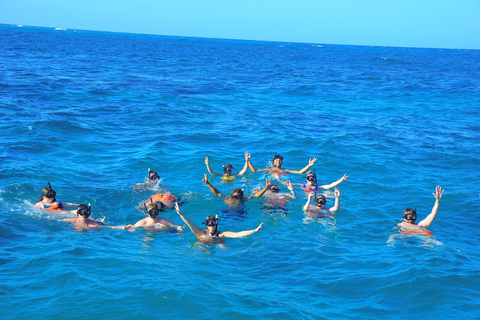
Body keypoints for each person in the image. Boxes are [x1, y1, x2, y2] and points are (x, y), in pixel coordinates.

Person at [174, 202, 264, 242]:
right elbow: (190, 224)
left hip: (218, 242)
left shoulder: (222, 234)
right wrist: (180, 214)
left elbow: (239, 234)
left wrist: (255, 230)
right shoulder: (201, 233)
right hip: (203, 246)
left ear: (216, 223)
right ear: (206, 225)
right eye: (209, 223)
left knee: (224, 248)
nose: (211, 225)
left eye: (213, 222)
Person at [202, 173, 271, 205]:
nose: (237, 198)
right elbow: (217, 193)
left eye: (238, 196)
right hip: (232, 213)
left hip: (236, 213)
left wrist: (266, 187)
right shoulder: (231, 197)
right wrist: (208, 183)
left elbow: (257, 195)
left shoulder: (231, 197)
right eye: (235, 196)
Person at [55, 204, 130, 229]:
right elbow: (55, 220)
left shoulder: (95, 224)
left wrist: (124, 227)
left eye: (86, 213)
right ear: (78, 213)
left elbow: (110, 227)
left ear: (89, 213)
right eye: (82, 213)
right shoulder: (72, 220)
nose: (84, 215)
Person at [276, 170, 348, 193]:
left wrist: (341, 180)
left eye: (312, 178)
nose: (311, 180)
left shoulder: (318, 186)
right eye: (309, 178)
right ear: (306, 179)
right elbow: (288, 184)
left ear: (315, 179)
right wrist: (279, 179)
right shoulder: (301, 185)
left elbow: (330, 186)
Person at [248, 153, 317, 175]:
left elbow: (299, 172)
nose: (278, 161)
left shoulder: (285, 170)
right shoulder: (269, 169)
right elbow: (254, 171)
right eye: (276, 160)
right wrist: (248, 161)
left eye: (280, 160)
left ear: (282, 162)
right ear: (273, 162)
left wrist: (309, 165)